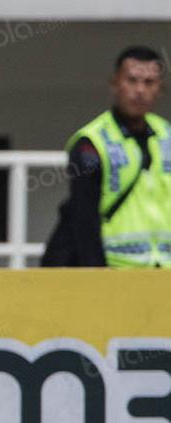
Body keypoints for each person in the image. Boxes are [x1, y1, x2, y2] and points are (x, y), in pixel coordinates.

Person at [43, 45, 170, 267]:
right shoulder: (92, 143)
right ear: (115, 84)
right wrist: (98, 276)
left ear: (160, 89)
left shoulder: (167, 136)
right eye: (131, 80)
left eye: (149, 82)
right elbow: (84, 219)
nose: (140, 90)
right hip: (116, 269)